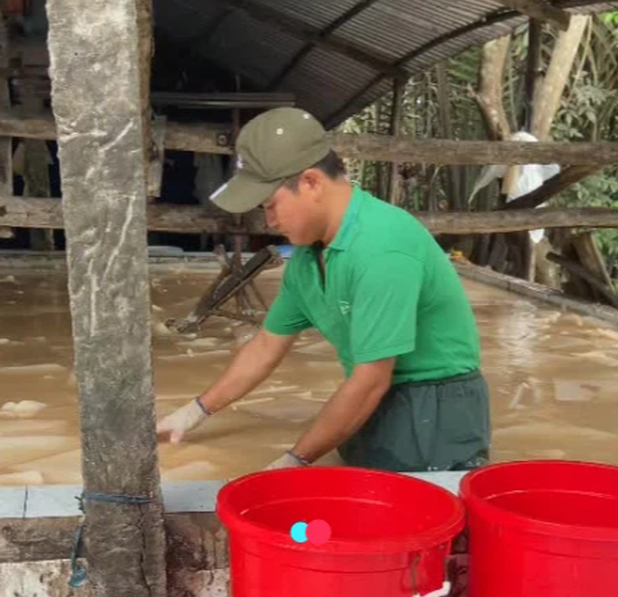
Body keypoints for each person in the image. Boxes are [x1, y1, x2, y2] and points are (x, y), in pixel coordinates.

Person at [157, 108, 490, 472]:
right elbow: (267, 345)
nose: (269, 221)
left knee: (409, 520)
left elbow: (371, 378)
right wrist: (193, 413)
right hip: (370, 397)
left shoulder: (382, 247)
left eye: (271, 206)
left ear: (311, 183)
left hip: (434, 408)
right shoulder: (308, 258)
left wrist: (294, 461)